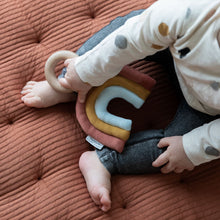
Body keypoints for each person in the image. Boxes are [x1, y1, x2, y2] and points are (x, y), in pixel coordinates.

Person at [21, 0, 220, 212]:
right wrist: (84, 74)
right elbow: (131, 40)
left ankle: (105, 160)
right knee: (125, 29)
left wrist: (192, 148)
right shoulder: (191, 11)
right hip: (171, 47)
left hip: (203, 108)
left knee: (178, 152)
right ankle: (66, 84)